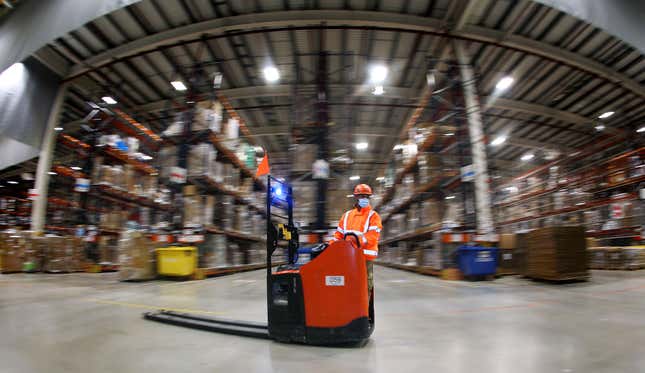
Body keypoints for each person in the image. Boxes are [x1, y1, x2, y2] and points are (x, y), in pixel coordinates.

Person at [330, 183, 382, 298]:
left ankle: (364, 313)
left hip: (364, 259)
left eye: (366, 196)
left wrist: (357, 239)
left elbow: (372, 237)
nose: (363, 199)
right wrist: (330, 247)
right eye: (361, 196)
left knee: (364, 288)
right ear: (356, 198)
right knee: (347, 286)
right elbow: (338, 235)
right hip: (347, 258)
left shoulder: (373, 216)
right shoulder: (346, 216)